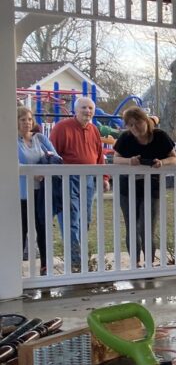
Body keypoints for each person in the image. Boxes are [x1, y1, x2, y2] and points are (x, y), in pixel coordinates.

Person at [112, 108, 176, 266]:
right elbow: (115, 158)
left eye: (138, 123)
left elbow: (173, 158)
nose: (135, 128)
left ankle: (149, 263)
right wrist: (129, 161)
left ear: (145, 120)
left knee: (147, 228)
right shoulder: (126, 138)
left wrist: (162, 162)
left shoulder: (160, 136)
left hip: (152, 188)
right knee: (131, 226)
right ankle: (135, 263)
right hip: (127, 189)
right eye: (130, 125)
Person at [50, 96, 107, 272]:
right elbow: (52, 155)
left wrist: (104, 177)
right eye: (84, 108)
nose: (87, 111)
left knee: (85, 219)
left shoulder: (94, 130)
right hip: (67, 179)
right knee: (71, 219)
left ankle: (80, 255)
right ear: (76, 110)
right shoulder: (62, 128)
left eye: (90, 108)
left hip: (89, 179)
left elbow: (99, 155)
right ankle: (76, 260)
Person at [18, 105, 60, 272]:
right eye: (22, 120)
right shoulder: (10, 140)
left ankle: (45, 265)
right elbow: (12, 163)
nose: (27, 123)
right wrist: (32, 172)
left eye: (29, 119)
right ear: (16, 122)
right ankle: (17, 267)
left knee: (42, 228)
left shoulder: (40, 138)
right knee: (21, 231)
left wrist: (45, 167)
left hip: (41, 192)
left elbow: (56, 157)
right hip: (21, 193)